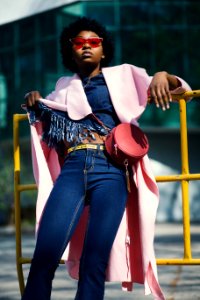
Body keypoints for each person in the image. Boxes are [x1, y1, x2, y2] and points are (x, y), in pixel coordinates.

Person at [21, 17, 191, 300]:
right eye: (79, 43)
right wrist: (32, 97)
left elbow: (178, 90)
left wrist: (163, 75)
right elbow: (44, 111)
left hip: (110, 170)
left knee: (94, 261)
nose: (86, 47)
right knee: (45, 254)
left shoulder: (125, 75)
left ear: (103, 49)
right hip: (73, 169)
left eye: (93, 42)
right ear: (70, 50)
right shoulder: (63, 85)